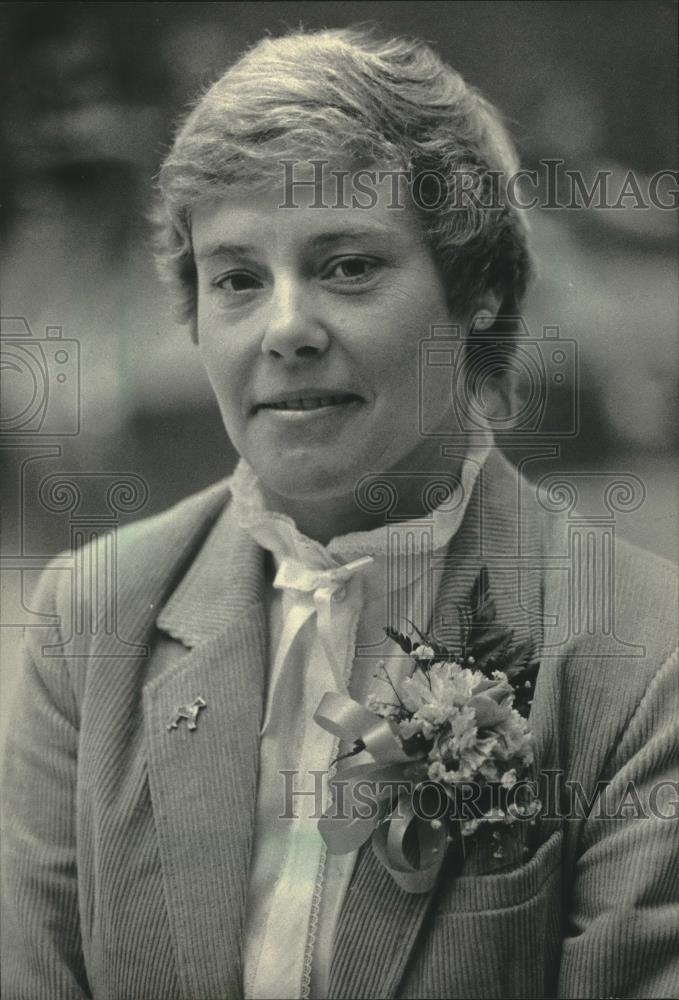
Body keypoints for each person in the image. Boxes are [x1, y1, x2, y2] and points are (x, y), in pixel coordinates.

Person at [2, 26, 677, 1000]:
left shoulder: (642, 659)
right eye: (236, 280)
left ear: (475, 292)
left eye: (348, 266)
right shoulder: (90, 621)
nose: (285, 329)